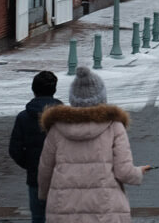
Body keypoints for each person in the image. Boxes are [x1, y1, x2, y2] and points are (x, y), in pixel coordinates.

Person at [38, 66, 152, 222]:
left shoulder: (56, 129)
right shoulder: (114, 126)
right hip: (104, 210)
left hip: (64, 209)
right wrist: (139, 172)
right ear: (102, 99)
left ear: (73, 99)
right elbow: (124, 172)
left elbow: (45, 171)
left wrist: (45, 195)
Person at [8, 70, 64, 223]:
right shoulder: (65, 117)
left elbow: (15, 150)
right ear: (54, 90)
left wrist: (31, 164)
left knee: (38, 217)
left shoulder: (24, 117)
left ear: (34, 90)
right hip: (62, 176)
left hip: (36, 176)